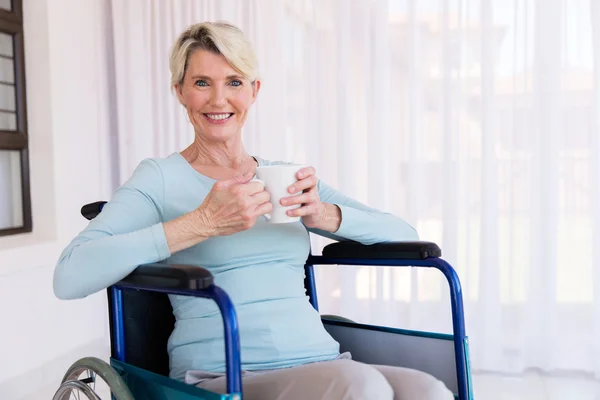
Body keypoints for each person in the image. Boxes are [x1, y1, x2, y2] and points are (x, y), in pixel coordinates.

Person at [53, 21, 454, 400]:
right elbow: (69, 275)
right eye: (201, 83)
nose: (218, 99)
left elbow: (406, 233)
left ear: (254, 90)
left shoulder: (284, 177)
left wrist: (322, 215)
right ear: (179, 90)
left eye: (234, 82)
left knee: (428, 390)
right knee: (361, 386)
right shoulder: (160, 178)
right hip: (222, 375)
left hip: (321, 362)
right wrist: (201, 223)